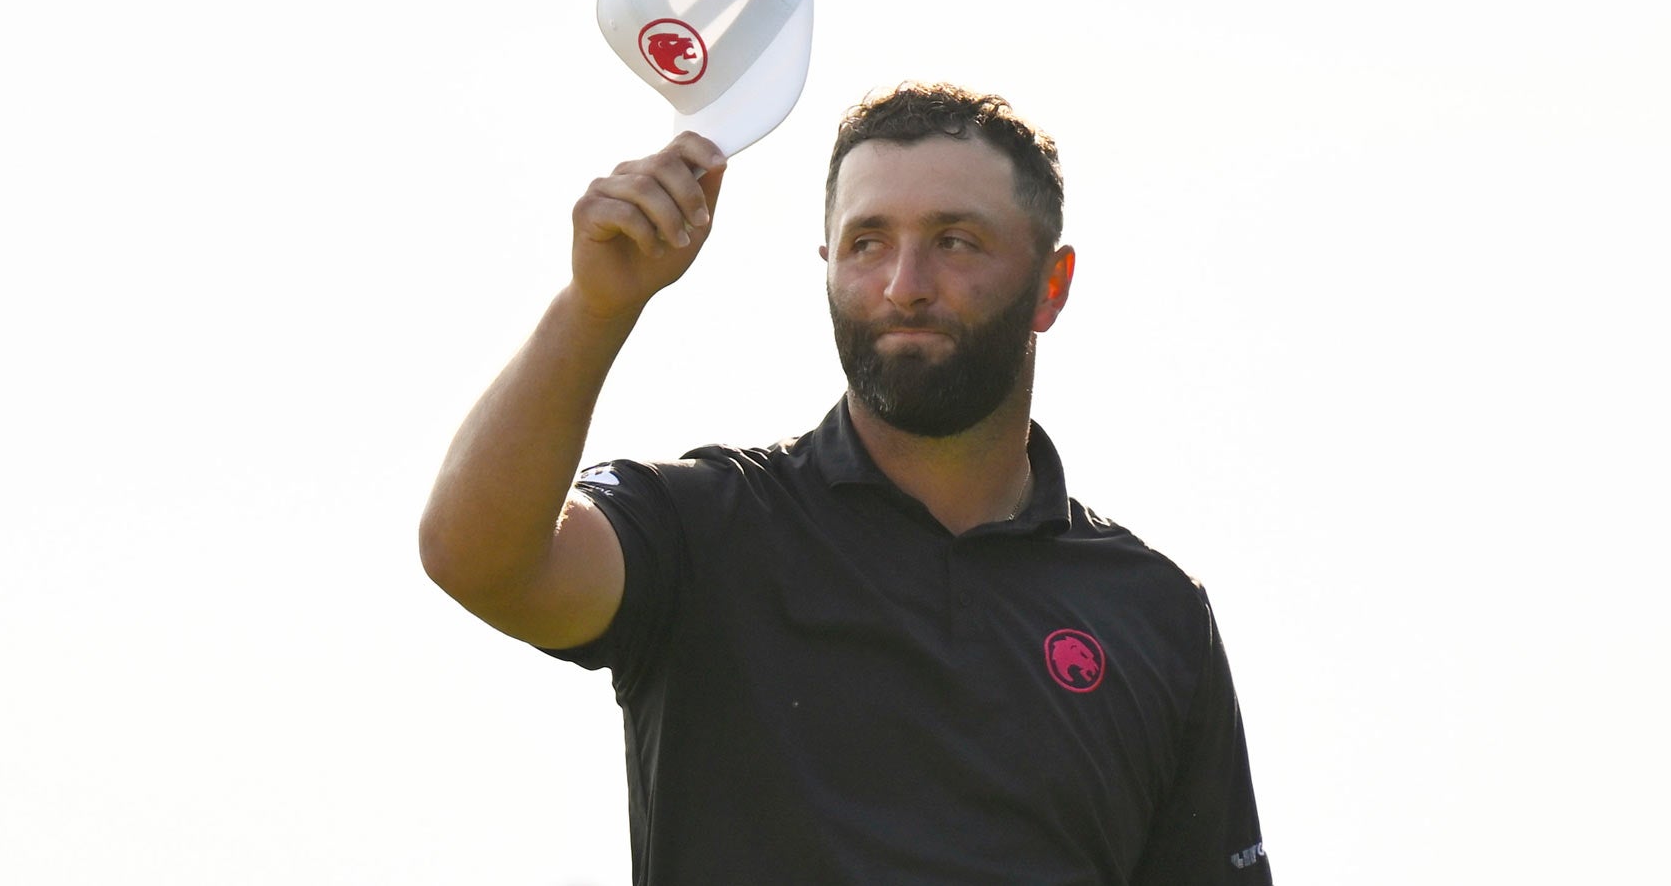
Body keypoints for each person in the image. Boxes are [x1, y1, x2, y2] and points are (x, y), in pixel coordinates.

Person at [420, 83, 1271, 884]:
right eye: (868, 244)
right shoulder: (709, 524)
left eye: (955, 241)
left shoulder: (1153, 613)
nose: (904, 287)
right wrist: (597, 304)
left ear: (1051, 285)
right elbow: (477, 557)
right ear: (828, 264)